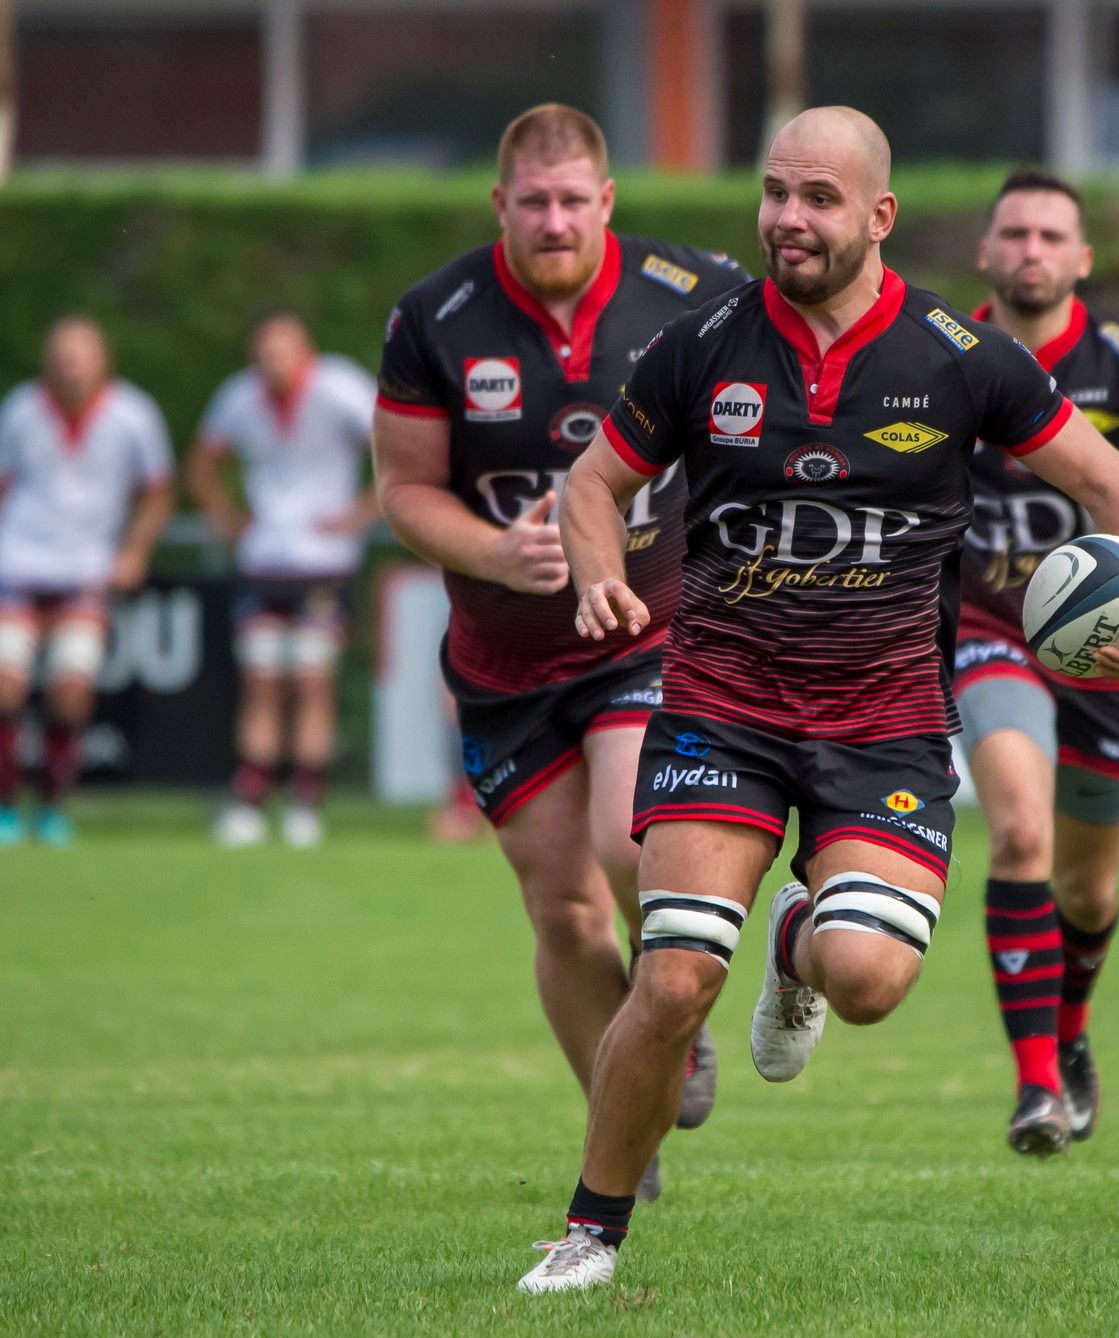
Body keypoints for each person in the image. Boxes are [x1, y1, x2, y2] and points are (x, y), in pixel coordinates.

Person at [517, 106, 1119, 1293]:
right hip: (723, 706)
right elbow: (593, 485)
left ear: (880, 216)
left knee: (868, 982)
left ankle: (798, 940)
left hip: (887, 721)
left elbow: (1108, 479)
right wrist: (595, 576)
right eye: (775, 193)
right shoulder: (702, 344)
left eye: (819, 198)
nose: (788, 218)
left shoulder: (960, 355)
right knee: (677, 974)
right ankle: (590, 1233)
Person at [372, 104, 746, 1185]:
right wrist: (496, 552)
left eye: (573, 200)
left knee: (632, 846)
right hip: (503, 669)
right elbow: (403, 491)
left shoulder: (695, 292)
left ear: (607, 200)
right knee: (565, 911)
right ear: (501, 205)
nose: (554, 221)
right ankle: (623, 1120)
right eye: (533, 202)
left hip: (644, 633)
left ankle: (669, 992)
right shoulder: (434, 317)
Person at [958, 168, 1119, 1155]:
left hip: (1111, 649)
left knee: (1087, 892)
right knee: (1019, 832)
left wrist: (1084, 465)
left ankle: (1069, 1035)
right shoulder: (947, 355)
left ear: (1082, 258)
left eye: (1049, 235)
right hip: (990, 628)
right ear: (986, 252)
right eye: (1014, 233)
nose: (1030, 250)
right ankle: (1036, 1088)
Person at [189, 312, 377, 848]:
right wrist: (226, 517)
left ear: (305, 351)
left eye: (281, 353)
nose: (271, 365)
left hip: (325, 562)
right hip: (264, 561)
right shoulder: (238, 397)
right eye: (263, 355)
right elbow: (202, 464)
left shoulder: (341, 386)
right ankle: (250, 799)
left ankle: (305, 801)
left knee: (312, 679)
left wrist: (365, 511)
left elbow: (398, 447)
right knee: (262, 680)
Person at [0, 317, 174, 846]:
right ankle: (6, 805)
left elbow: (158, 491)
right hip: (18, 565)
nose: (71, 366)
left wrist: (134, 553)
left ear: (103, 361)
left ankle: (52, 805)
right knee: (5, 684)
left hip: (85, 573)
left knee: (71, 689)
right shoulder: (20, 409)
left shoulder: (133, 414)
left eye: (81, 355)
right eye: (62, 355)